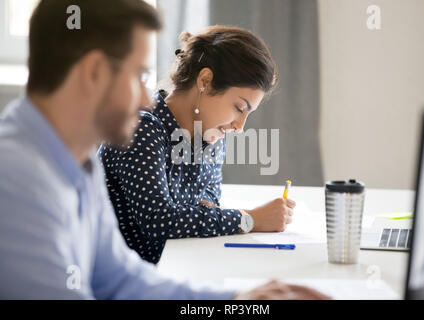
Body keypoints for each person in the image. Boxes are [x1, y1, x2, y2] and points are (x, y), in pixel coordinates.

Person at [0, 0, 329, 300]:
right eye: (137, 75)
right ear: (94, 72)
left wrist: (239, 302)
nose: (146, 99)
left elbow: (121, 280)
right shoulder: (17, 180)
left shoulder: (77, 164)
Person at [98, 25, 296, 264]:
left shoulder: (210, 136)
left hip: (178, 267)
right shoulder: (141, 127)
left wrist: (196, 216)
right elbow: (161, 223)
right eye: (239, 108)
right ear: (205, 81)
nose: (240, 126)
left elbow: (209, 206)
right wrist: (249, 219)